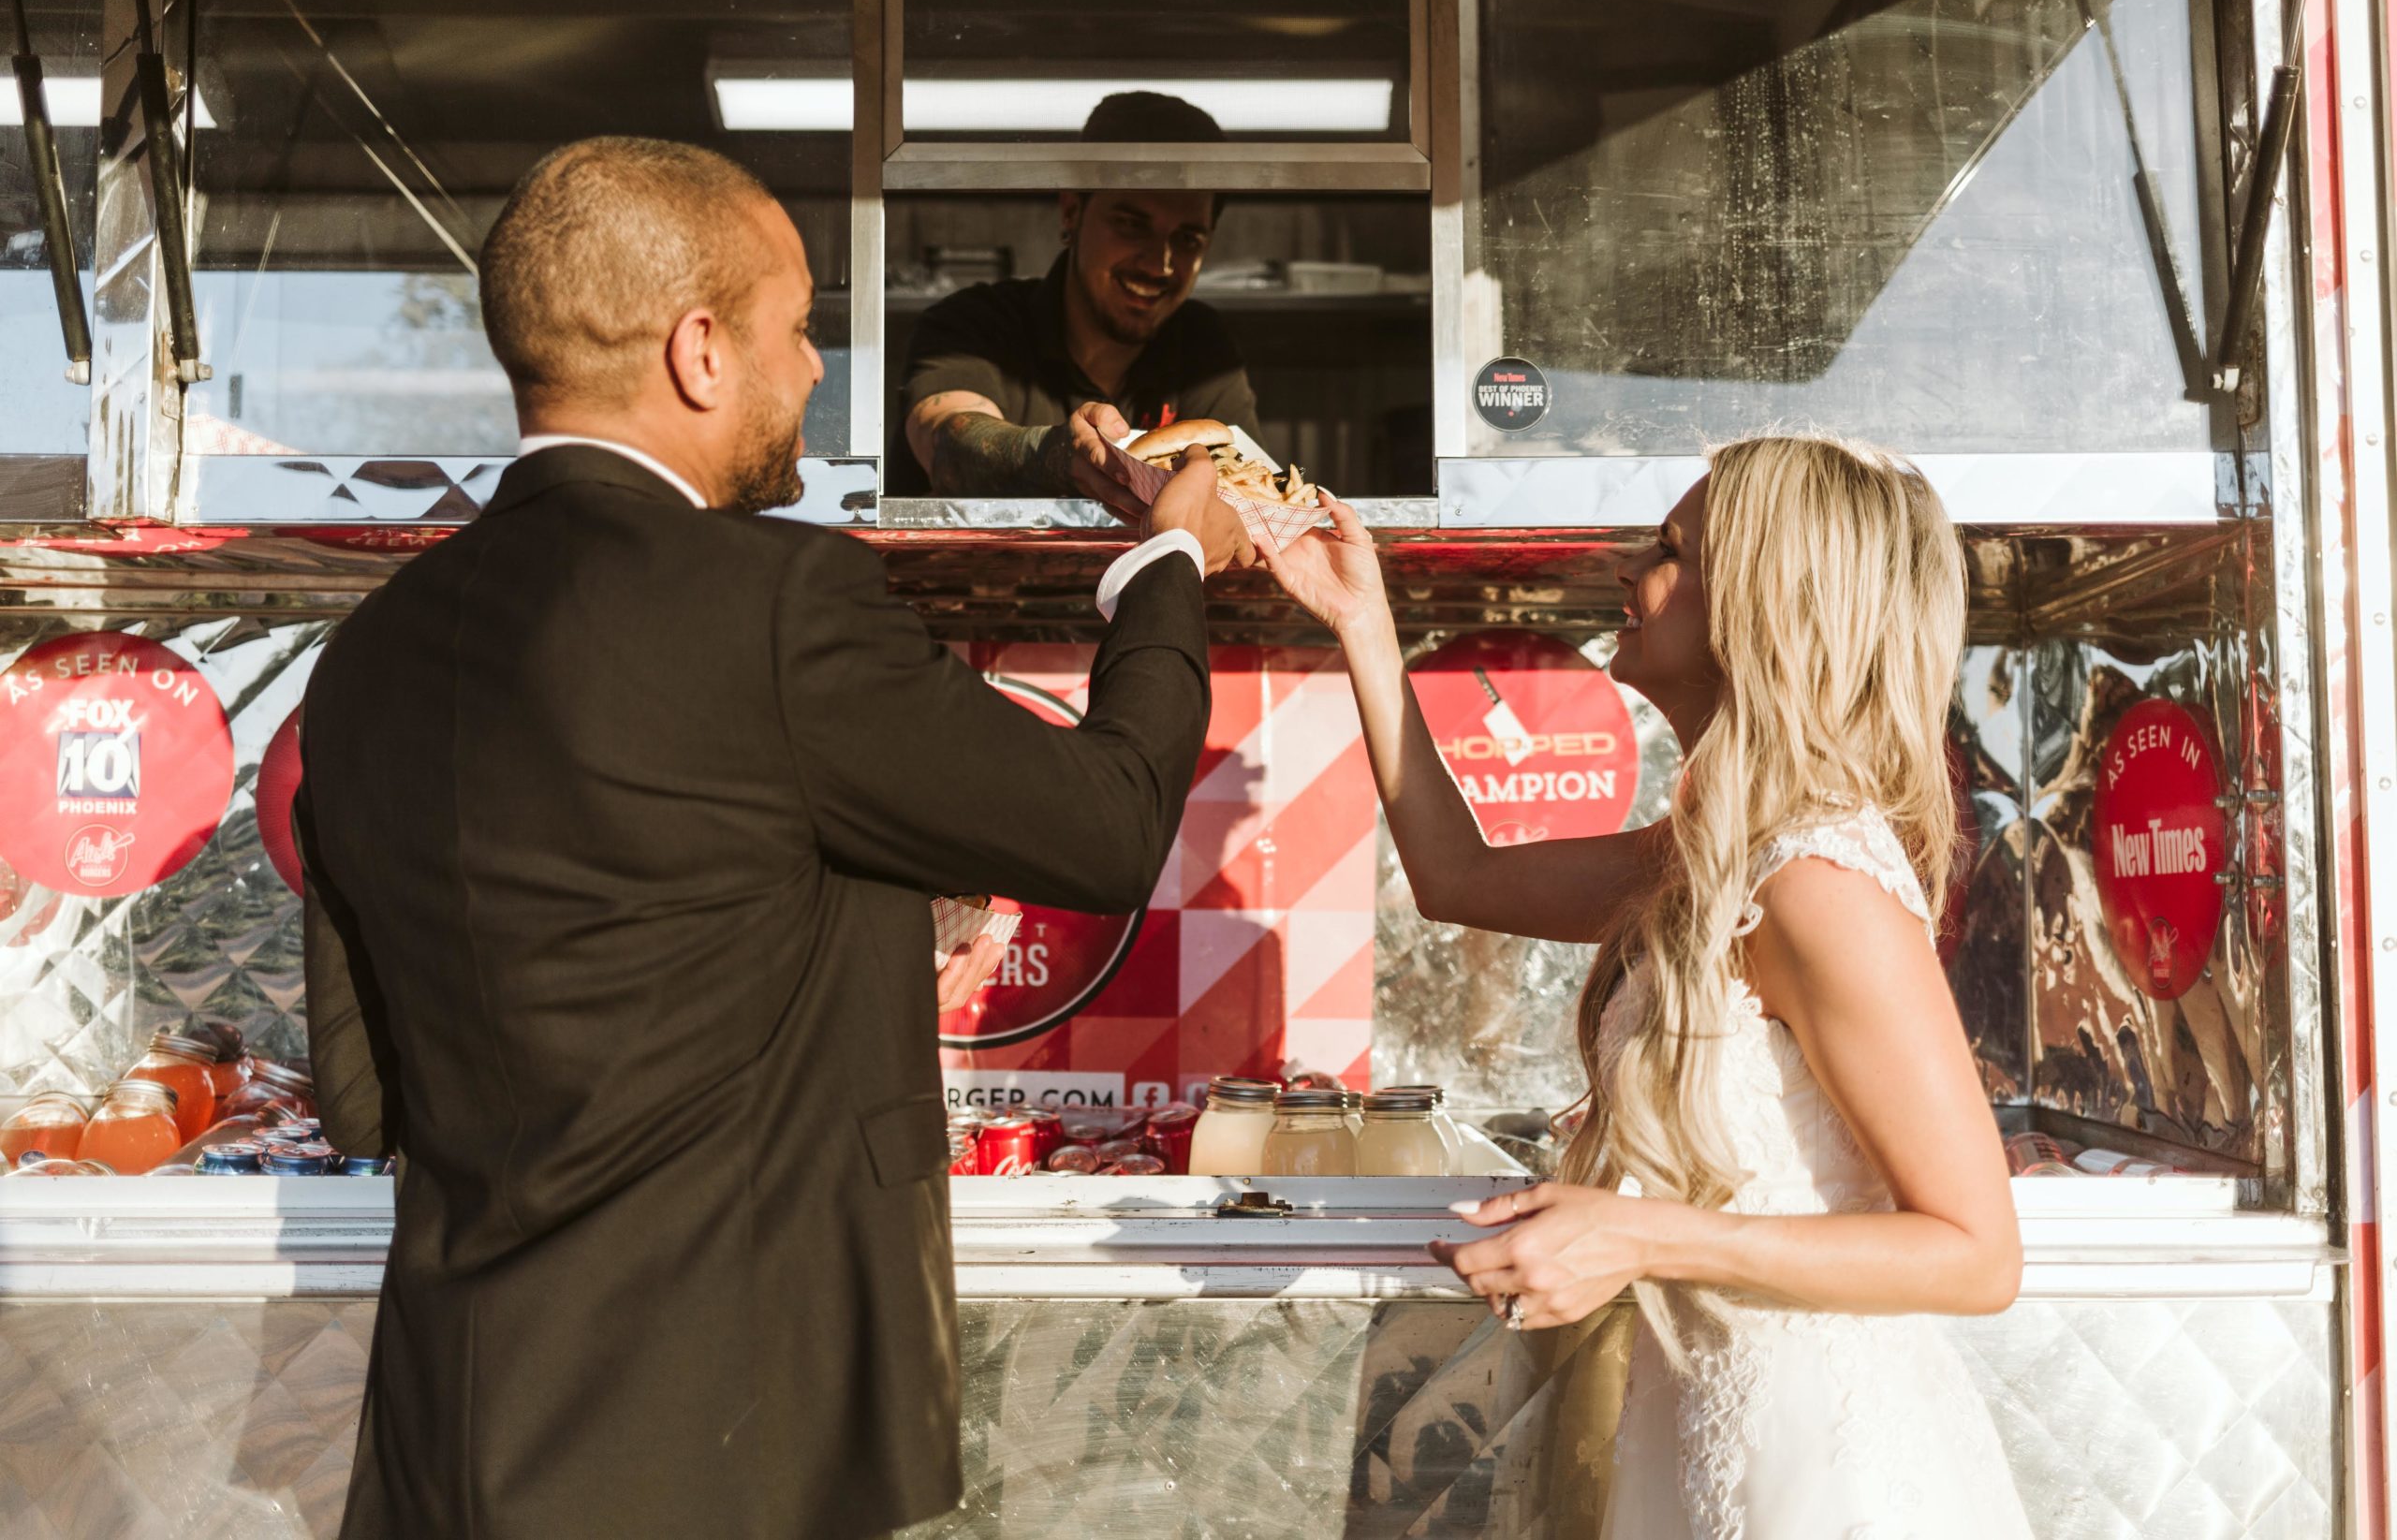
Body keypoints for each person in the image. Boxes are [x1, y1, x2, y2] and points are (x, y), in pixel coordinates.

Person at [293, 137, 1250, 1540]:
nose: (813, 372)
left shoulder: (362, 660)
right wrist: (1166, 564)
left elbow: (366, 1099)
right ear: (699, 352)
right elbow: (1106, 826)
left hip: (450, 1445)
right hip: (726, 1453)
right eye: (798, 329)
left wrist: (847, 918)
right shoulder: (783, 601)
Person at [1262, 435, 2033, 1536]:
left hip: (1824, 1473)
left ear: (1761, 603)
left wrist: (1641, 1235)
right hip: (1706, 1433)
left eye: (1670, 550)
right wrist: (1360, 616)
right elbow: (1454, 875)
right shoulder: (1716, 854)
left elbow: (1977, 1251)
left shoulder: (1815, 881)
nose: (1628, 568)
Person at [894, 91, 1259, 506]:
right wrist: (1057, 457)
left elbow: (1245, 483)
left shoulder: (1200, 342)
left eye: (1188, 238)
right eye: (1131, 224)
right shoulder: (973, 322)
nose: (1159, 264)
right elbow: (946, 445)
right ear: (1071, 210)